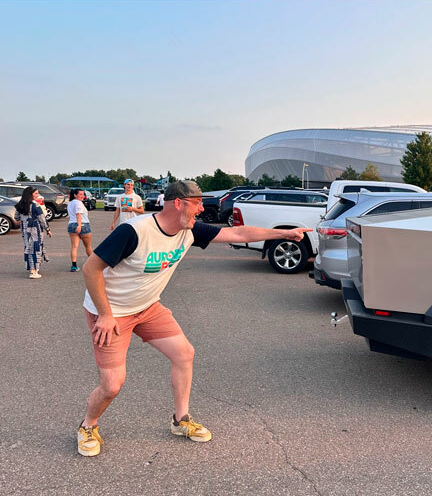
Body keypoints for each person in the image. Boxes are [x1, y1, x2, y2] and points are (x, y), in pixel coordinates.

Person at [77, 180, 311, 457]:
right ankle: (87, 426)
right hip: (111, 312)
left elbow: (238, 234)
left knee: (184, 354)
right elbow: (91, 268)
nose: (202, 208)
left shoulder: (190, 230)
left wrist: (283, 233)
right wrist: (104, 315)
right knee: (112, 384)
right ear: (179, 203)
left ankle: (181, 420)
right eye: (197, 202)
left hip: (148, 308)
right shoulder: (134, 232)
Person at [15, 186, 52, 279]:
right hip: (35, 229)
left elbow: (16, 217)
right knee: (36, 248)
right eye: (35, 193)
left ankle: (32, 268)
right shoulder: (35, 205)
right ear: (30, 194)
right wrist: (47, 229)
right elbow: (42, 219)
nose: (37, 195)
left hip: (24, 230)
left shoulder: (20, 205)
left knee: (28, 248)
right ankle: (34, 271)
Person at [67, 188, 93, 272]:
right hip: (83, 224)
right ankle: (94, 264)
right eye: (80, 194)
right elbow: (78, 214)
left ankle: (74, 266)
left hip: (71, 224)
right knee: (88, 246)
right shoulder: (78, 203)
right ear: (75, 195)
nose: (82, 196)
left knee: (74, 246)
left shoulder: (70, 203)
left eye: (83, 194)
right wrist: (79, 225)